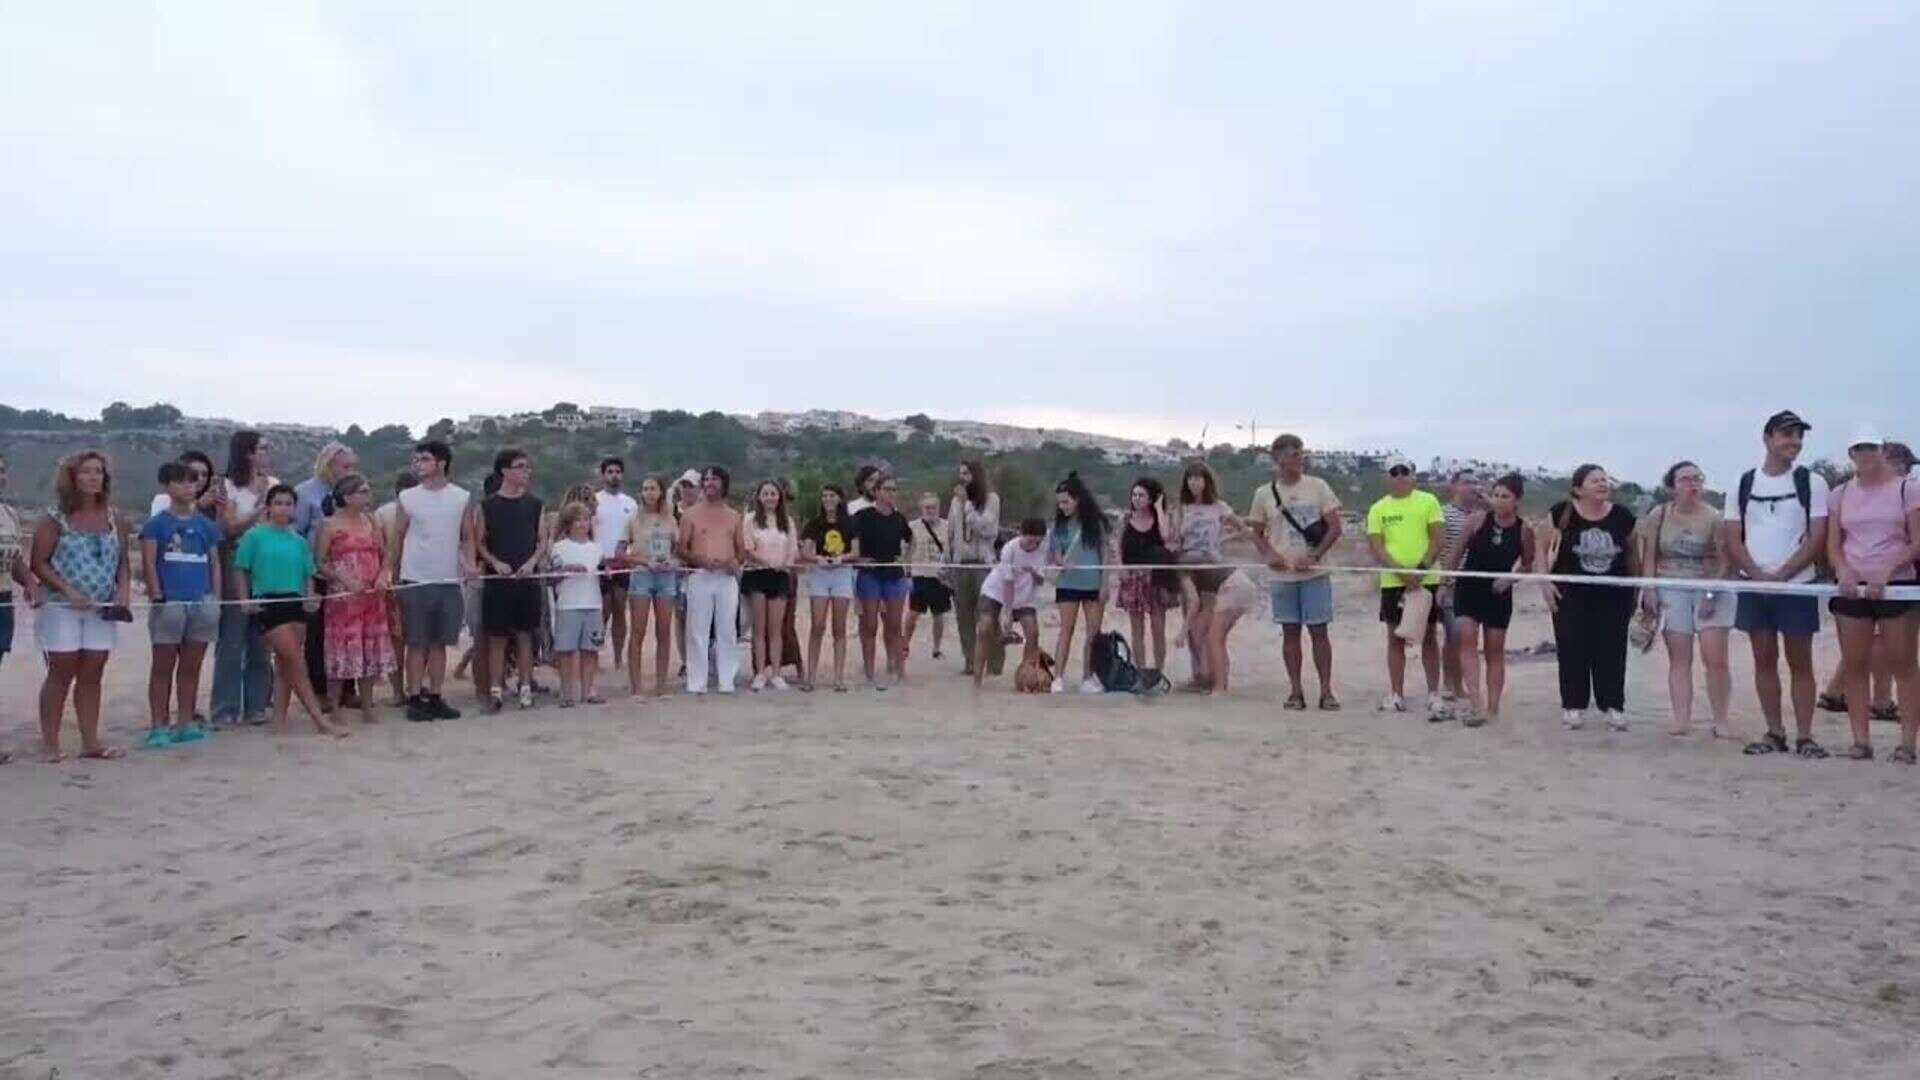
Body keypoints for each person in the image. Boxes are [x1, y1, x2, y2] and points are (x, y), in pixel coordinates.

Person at [1722, 410, 1831, 757]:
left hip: (1796, 585)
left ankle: (1805, 735)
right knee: (1763, 659)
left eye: (1799, 436)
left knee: (1800, 661)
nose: (1794, 443)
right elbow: (1733, 538)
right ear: (1767, 438)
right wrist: (1757, 576)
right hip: (1755, 586)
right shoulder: (1742, 482)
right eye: (1787, 435)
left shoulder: (1812, 482)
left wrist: (1782, 576)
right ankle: (1774, 731)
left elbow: (1817, 537)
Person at [1825, 426, 1920, 763]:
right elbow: (1834, 544)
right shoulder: (1840, 494)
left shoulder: (1908, 489)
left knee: (1904, 665)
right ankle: (1860, 741)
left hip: (1897, 587)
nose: (1867, 454)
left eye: (1872, 447)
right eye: (1859, 448)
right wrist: (1844, 570)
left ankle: (1907, 744)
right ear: (1851, 454)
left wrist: (1889, 570)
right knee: (1855, 664)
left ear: (1883, 450)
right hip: (1854, 587)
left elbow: (1916, 541)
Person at [31, 451, 130, 761]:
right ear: (72, 477)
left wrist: (124, 590)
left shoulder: (116, 518)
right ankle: (50, 743)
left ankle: (90, 741)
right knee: (61, 670)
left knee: (93, 671)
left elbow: (123, 561)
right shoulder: (54, 517)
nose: (93, 477)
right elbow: (39, 562)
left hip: (101, 606)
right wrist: (66, 589)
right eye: (86, 471)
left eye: (98, 472)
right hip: (62, 606)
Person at [233, 485, 347, 738]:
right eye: (279, 503)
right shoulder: (255, 536)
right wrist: (244, 598)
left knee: (286, 665)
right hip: (269, 602)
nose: (284, 508)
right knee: (296, 661)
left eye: (289, 503)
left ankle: (279, 721)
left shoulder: (298, 540)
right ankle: (319, 719)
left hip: (295, 602)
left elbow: (308, 573)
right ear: (269, 507)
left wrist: (309, 598)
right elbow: (241, 569)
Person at [1247, 434, 1345, 710]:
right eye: (1293, 454)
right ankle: (1295, 691)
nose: (1299, 459)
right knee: (1290, 633)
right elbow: (1255, 531)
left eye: (1301, 453)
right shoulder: (1263, 494)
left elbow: (1335, 527)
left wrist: (1314, 555)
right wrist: (1270, 554)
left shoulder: (1318, 486)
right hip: (1283, 574)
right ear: (1278, 458)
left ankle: (1326, 691)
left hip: (1314, 573)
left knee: (1319, 632)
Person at [1540, 464, 1640, 731]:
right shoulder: (1562, 512)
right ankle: (1573, 706)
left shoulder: (1622, 515)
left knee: (1612, 649)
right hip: (1570, 594)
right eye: (1595, 480)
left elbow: (1632, 554)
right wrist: (1545, 584)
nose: (1602, 484)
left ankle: (1613, 707)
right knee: (1572, 648)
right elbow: (1540, 549)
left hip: (1614, 595)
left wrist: (1636, 590)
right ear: (1578, 488)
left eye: (1604, 479)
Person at [1638, 462, 1734, 738]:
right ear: (1672, 486)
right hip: (1671, 585)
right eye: (1685, 479)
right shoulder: (1660, 513)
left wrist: (1710, 593)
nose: (1692, 484)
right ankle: (1682, 720)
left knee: (1715, 657)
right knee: (1679, 657)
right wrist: (1649, 588)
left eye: (1697, 479)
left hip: (1710, 586)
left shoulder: (1715, 517)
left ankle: (1721, 719)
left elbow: (1725, 561)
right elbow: (1650, 556)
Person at [139, 460, 223, 747]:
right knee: (163, 665)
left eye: (192, 482)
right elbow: (149, 562)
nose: (188, 487)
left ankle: (185, 720)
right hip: (170, 601)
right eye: (181, 481)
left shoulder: (206, 526)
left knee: (192, 665)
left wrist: (216, 597)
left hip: (201, 600)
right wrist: (157, 594)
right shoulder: (156, 524)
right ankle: (158, 724)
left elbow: (214, 563)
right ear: (168, 486)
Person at [1442, 473, 1535, 726]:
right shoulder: (1476, 520)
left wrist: (1509, 579)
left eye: (1505, 496)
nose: (1499, 500)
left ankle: (1493, 707)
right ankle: (1476, 705)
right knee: (1467, 642)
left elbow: (1528, 565)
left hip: (1498, 594)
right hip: (1468, 589)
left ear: (1517, 501)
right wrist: (1445, 583)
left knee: (1494, 651)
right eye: (1495, 495)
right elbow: (1455, 554)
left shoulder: (1524, 530)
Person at [393, 440, 476, 722]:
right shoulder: (407, 497)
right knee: (416, 642)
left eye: (425, 459)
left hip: (448, 579)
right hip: (415, 577)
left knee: (440, 642)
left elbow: (466, 537)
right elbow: (398, 537)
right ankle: (414, 696)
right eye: (416, 460)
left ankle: (437, 695)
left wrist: (471, 563)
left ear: (441, 463)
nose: (418, 464)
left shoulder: (461, 497)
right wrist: (389, 573)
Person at [1365, 456, 1446, 716]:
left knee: (1430, 637)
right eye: (1394, 472)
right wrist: (1400, 572)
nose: (1400, 476)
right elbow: (1377, 546)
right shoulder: (1378, 508)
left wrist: (1420, 571)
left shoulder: (1428, 501)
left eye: (1405, 471)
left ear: (1413, 475)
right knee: (1395, 637)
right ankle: (1397, 693)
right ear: (1387, 477)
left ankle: (1434, 693)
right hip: (1393, 582)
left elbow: (1437, 538)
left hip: (1427, 581)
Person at [314, 473, 394, 726]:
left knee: (369, 649)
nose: (368, 496)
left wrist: (383, 576)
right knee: (341, 651)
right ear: (347, 497)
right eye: (363, 491)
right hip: (343, 598)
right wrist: (343, 579)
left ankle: (368, 705)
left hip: (372, 596)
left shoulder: (371, 521)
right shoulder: (329, 525)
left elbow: (386, 554)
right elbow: (319, 562)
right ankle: (335, 705)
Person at [211, 430, 274, 727]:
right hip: (235, 560)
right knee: (232, 638)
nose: (267, 452)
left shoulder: (274, 485)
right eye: (262, 448)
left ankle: (257, 704)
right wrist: (260, 506)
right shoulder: (227, 487)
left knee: (261, 638)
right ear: (248, 453)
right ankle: (225, 707)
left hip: (265, 563)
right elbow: (229, 529)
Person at [475, 449, 546, 712]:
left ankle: (526, 688)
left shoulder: (535, 504)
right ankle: (496, 690)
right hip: (498, 579)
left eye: (527, 467)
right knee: (497, 638)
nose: (525, 471)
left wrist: (531, 563)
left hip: (526, 578)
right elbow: (480, 542)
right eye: (519, 467)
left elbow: (542, 540)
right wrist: (494, 563)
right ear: (504, 471)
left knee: (525, 636)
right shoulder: (487, 505)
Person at [291, 441, 359, 706]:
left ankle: (347, 689)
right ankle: (319, 690)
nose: (350, 471)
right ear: (328, 465)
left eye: (353, 466)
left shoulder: (353, 492)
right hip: (317, 573)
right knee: (318, 634)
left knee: (349, 632)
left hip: (348, 574)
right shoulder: (306, 493)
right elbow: (297, 534)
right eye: (345, 466)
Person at [1168, 461, 1241, 690]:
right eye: (1190, 478)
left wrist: (1219, 544)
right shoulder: (1181, 508)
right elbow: (1174, 539)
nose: (1194, 482)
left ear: (1206, 481)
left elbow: (1242, 528)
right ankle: (1198, 673)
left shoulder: (1218, 507)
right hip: (1188, 566)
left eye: (1198, 478)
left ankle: (1213, 673)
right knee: (1190, 621)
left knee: (1208, 623)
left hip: (1211, 567)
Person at [679, 466, 746, 694]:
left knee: (727, 629)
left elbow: (741, 550)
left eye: (714, 479)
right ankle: (697, 681)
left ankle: (726, 679)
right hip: (700, 576)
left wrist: (733, 562)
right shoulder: (690, 514)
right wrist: (700, 560)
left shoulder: (734, 516)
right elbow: (682, 548)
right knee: (697, 630)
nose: (709, 483)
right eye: (706, 479)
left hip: (726, 579)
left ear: (723, 484)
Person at [1049, 473, 1112, 694]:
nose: (1063, 506)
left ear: (1078, 500)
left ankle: (1088, 676)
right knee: (1066, 630)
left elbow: (1106, 554)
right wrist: (1060, 561)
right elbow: (1055, 553)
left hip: (1093, 583)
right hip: (1068, 583)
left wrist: (1105, 583)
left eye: (1066, 501)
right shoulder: (1059, 526)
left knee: (1093, 633)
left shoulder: (1097, 524)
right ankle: (1057, 677)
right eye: (1060, 502)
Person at [852, 472, 915, 689]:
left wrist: (906, 559)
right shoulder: (862, 515)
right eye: (886, 489)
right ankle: (869, 672)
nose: (891, 493)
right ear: (876, 492)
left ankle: (899, 670)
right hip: (870, 575)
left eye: (894, 489)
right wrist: (859, 559)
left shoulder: (899, 518)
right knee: (869, 625)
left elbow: (911, 540)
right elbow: (850, 540)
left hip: (894, 575)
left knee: (894, 625)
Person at [973, 518, 1051, 691]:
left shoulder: (1043, 549)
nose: (1033, 545)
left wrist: (1032, 571)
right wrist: (1007, 613)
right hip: (996, 591)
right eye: (1030, 541)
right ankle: (977, 679)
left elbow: (1040, 581)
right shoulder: (1010, 549)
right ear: (1021, 534)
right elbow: (1008, 582)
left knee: (1033, 632)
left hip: (1025, 595)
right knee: (984, 628)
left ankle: (1026, 675)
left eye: (1037, 541)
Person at [621, 474, 681, 698]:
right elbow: (621, 553)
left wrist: (673, 561)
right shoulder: (633, 519)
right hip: (642, 575)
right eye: (645, 488)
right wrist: (644, 561)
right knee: (638, 631)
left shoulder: (670, 520)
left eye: (653, 488)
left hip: (666, 577)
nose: (648, 492)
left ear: (661, 492)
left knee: (664, 632)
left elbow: (679, 549)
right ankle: (636, 687)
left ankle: (661, 686)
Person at [0, 453, 41, 764]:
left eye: (2, 470)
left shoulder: (8, 514)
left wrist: (29, 581)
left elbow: (12, 560)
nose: (0, 477)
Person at [946, 460, 1003, 678]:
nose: (962, 478)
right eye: (960, 473)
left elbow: (987, 529)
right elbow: (951, 533)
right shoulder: (954, 502)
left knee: (987, 615)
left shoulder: (991, 500)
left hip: (983, 564)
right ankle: (971, 660)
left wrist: (967, 504)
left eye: (966, 473)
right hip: (961, 564)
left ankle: (994, 662)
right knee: (964, 616)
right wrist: (948, 562)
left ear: (976, 475)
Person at [741, 478, 799, 691]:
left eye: (773, 494)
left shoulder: (787, 521)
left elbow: (793, 549)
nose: (769, 498)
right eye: (765, 494)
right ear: (759, 497)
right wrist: (767, 563)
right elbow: (747, 549)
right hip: (757, 575)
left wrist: (785, 564)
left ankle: (776, 673)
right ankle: (759, 672)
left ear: (779, 496)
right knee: (759, 628)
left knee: (776, 629)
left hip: (780, 577)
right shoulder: (750, 519)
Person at [801, 484, 856, 692]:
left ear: (840, 498)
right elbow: (805, 552)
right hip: (820, 574)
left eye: (832, 495)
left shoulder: (850, 523)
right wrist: (818, 558)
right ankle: (811, 677)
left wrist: (842, 558)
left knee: (839, 627)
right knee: (817, 625)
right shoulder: (814, 524)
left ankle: (839, 678)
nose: (827, 499)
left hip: (842, 574)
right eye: (824, 496)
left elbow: (856, 550)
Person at [550, 504, 606, 706]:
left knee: (590, 650)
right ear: (569, 524)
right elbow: (551, 578)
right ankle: (566, 693)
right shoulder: (559, 547)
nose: (584, 524)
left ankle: (588, 690)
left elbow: (602, 575)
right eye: (578, 520)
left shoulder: (596, 548)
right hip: (568, 605)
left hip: (593, 604)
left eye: (586, 519)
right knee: (566, 651)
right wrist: (566, 569)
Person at [1118, 477, 1175, 673]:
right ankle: (1141, 670)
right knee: (1137, 629)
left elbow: (1166, 537)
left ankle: (1158, 671)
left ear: (1151, 498)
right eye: (1134, 494)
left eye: (1141, 495)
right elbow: (1116, 546)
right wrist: (1120, 568)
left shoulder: (1159, 518)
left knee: (1158, 629)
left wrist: (1159, 509)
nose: (1136, 498)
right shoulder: (1126, 519)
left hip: (1156, 579)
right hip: (1133, 578)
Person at [1437, 469, 1484, 708]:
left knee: (1468, 638)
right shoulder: (1443, 514)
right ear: (1454, 486)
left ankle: (1461, 684)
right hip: (1453, 583)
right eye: (1467, 482)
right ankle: (1450, 684)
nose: (1473, 487)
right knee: (1453, 635)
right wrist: (1444, 582)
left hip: (1476, 584)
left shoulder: (1482, 515)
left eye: (1476, 483)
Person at [372, 469, 416, 702]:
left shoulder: (382, 513)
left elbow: (379, 549)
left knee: (396, 640)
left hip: (391, 579)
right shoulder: (420, 509)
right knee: (418, 638)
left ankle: (399, 691)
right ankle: (413, 686)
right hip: (415, 578)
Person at [592, 457, 639, 668]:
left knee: (620, 610)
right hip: (598, 564)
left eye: (618, 471)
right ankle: (593, 655)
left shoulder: (631, 503)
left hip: (623, 563)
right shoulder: (594, 501)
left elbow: (634, 535)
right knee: (602, 611)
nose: (614, 475)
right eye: (610, 471)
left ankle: (618, 658)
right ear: (603, 475)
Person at [902, 492, 952, 674]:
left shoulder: (948, 527)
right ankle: (904, 644)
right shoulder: (912, 527)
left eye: (933, 507)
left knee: (939, 614)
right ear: (921, 509)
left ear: (938, 508)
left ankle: (937, 649)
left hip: (940, 576)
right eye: (927, 507)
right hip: (919, 575)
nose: (930, 510)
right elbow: (905, 550)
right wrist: (906, 572)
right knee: (913, 613)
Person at [1202, 569, 1266, 694]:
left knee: (1214, 639)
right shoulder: (1201, 562)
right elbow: (1207, 603)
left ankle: (1219, 687)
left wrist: (1183, 630)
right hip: (1242, 584)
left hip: (1234, 587)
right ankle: (1221, 683)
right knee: (1218, 639)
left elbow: (1194, 600)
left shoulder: (1185, 570)